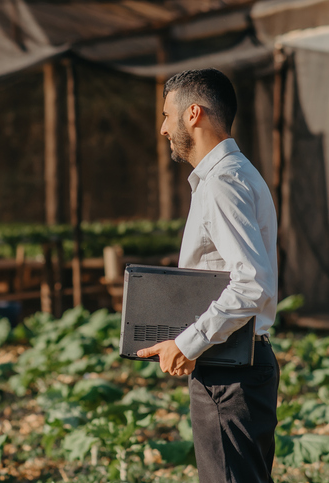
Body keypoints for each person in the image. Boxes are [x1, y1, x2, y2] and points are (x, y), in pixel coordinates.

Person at [137, 69, 279, 483]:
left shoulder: (222, 183)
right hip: (239, 365)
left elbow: (252, 282)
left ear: (193, 114)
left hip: (229, 373)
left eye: (167, 115)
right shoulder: (235, 174)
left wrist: (188, 342)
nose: (162, 128)